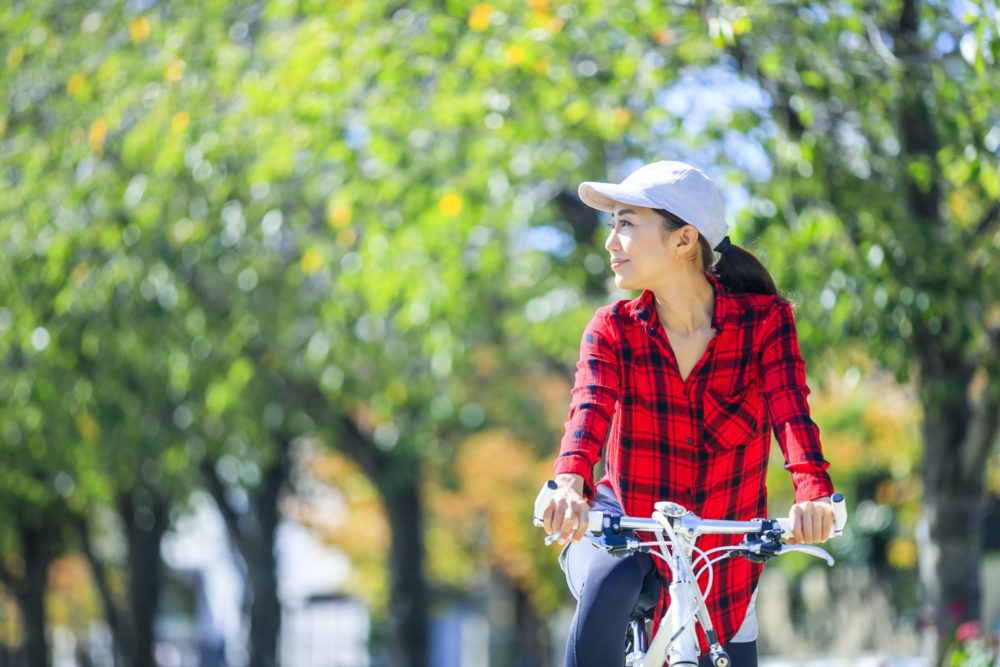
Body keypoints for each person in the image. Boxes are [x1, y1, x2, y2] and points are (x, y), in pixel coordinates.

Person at [541, 161, 836, 667]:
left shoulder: (765, 324)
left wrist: (814, 494)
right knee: (614, 575)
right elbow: (587, 413)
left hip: (724, 552)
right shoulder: (613, 330)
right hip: (625, 523)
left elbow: (792, 415)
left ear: (683, 241)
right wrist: (569, 483)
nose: (611, 242)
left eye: (627, 224)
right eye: (612, 225)